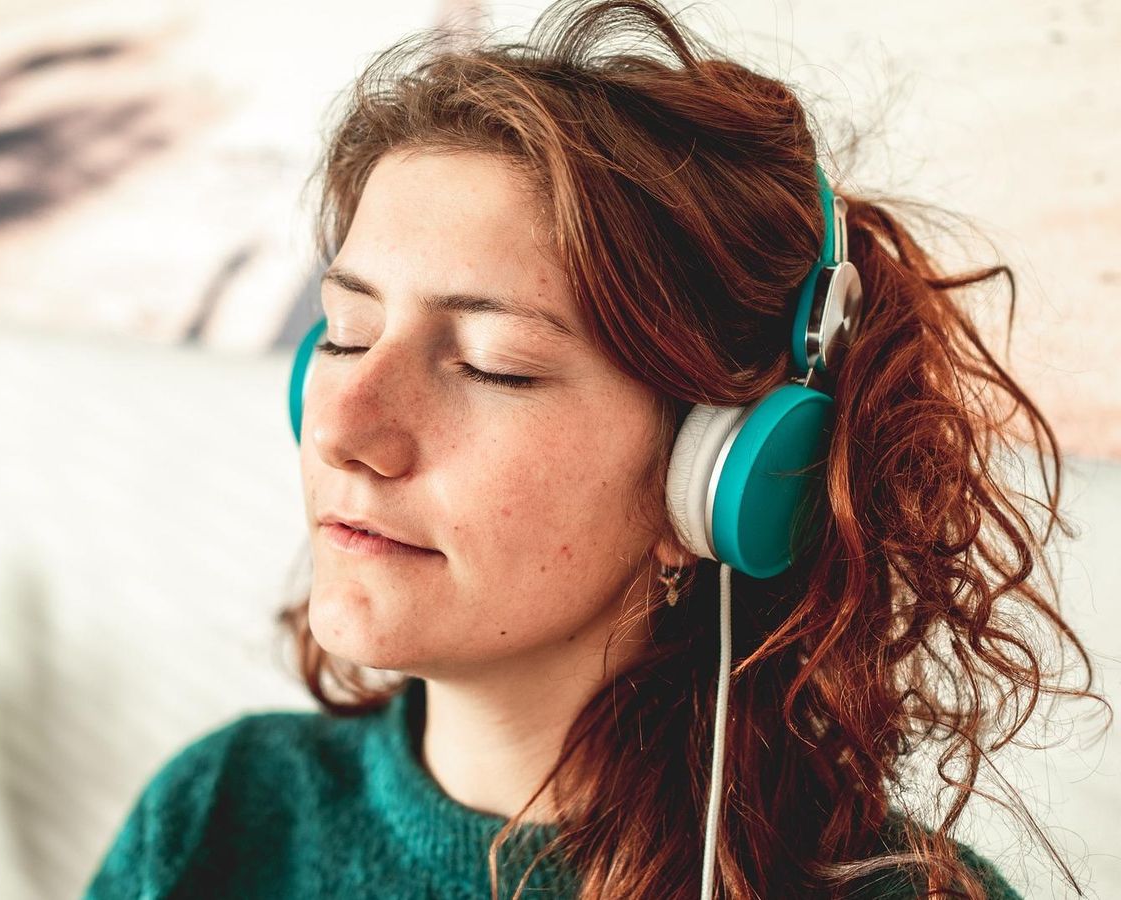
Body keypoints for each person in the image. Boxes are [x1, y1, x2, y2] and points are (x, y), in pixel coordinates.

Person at [83, 1, 1106, 897]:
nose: (344, 428)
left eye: (490, 362)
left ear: (723, 474)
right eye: (347, 334)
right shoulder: (217, 821)